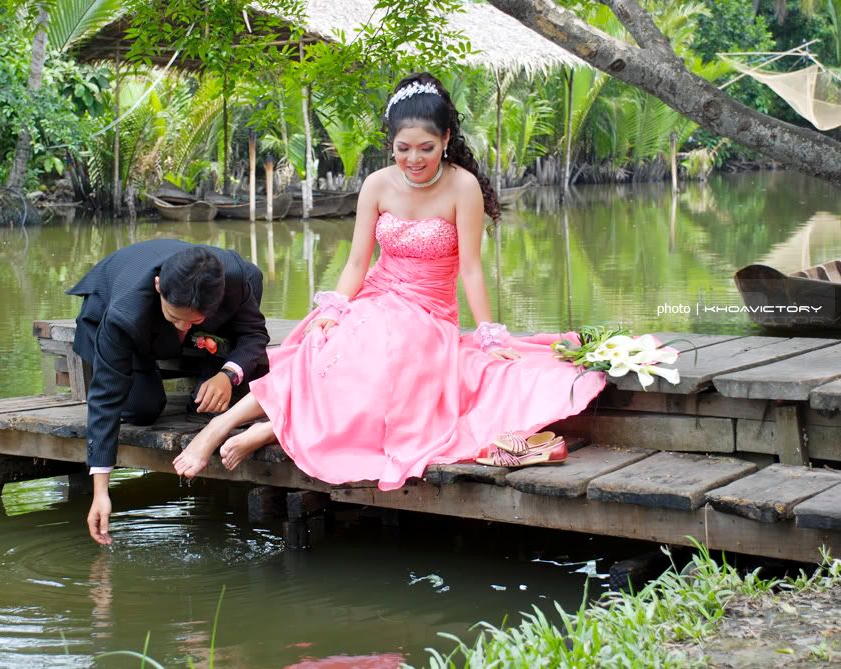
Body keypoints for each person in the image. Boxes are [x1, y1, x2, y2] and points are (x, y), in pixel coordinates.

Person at [173, 72, 606, 489]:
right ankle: (221, 425)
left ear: (446, 140)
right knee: (325, 340)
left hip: (428, 310)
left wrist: (490, 335)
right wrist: (334, 307)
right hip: (375, 294)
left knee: (377, 354)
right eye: (403, 148)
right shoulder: (377, 184)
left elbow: (472, 269)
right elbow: (357, 262)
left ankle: (271, 429)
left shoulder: (463, 187)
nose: (414, 159)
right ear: (392, 144)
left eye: (426, 148)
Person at [68, 240, 269, 544]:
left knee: (220, 387)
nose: (184, 327)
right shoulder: (124, 312)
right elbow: (105, 396)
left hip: (177, 317)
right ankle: (150, 352)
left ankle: (209, 369)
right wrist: (101, 492)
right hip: (111, 309)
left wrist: (227, 375)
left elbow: (254, 333)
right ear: (158, 286)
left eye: (195, 321)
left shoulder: (237, 279)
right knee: (143, 408)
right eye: (175, 317)